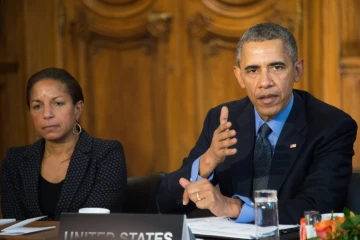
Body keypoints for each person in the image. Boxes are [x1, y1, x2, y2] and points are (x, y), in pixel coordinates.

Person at [157, 23, 357, 224]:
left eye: (276, 67)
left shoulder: (331, 126)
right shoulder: (224, 120)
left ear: (297, 71)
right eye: (253, 70)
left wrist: (235, 208)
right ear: (239, 77)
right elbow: (166, 204)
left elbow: (319, 207)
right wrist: (208, 160)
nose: (265, 82)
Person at [1, 68, 127, 220]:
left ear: (77, 109)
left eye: (58, 103)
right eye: (37, 106)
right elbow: (13, 226)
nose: (47, 114)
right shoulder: (15, 161)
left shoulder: (106, 154)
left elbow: (91, 224)